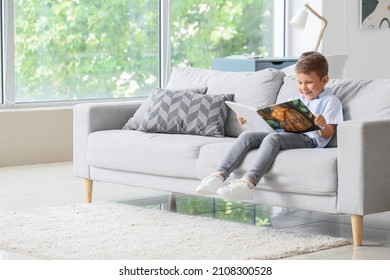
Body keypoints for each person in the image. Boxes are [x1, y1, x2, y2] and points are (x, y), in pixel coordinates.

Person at [195, 51, 343, 200]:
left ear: (324, 80)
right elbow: (273, 122)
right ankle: (218, 175)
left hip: (308, 139)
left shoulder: (330, 101)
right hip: (286, 133)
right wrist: (250, 118)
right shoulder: (295, 99)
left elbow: (328, 133)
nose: (304, 87)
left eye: (309, 82)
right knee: (247, 136)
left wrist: (322, 125)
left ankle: (248, 183)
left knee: (273, 139)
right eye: (299, 82)